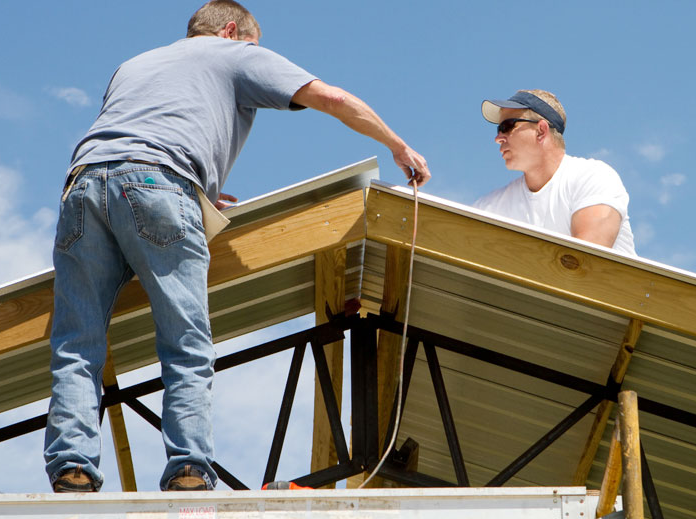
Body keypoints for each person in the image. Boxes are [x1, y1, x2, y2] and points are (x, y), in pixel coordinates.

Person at [44, 0, 430, 493]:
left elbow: (145, 130)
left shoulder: (134, 64)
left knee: (76, 344)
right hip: (158, 181)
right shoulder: (234, 54)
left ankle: (73, 467)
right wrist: (396, 143)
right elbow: (329, 97)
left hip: (82, 188)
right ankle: (188, 468)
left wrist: (196, 186)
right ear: (230, 31)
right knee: (184, 341)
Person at [473, 90, 635, 256]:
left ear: (541, 131)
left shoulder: (593, 178)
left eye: (506, 127)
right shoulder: (488, 207)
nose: (498, 138)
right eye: (499, 129)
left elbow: (585, 263)